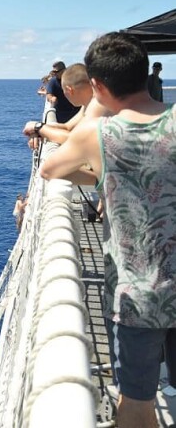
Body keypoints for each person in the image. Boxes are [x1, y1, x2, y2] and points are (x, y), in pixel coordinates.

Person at [41, 32, 175, 428]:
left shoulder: (97, 133)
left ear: (97, 86)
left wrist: (105, 173)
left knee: (135, 403)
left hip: (137, 297)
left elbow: (52, 170)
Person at [23, 63, 98, 150]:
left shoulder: (98, 106)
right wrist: (36, 128)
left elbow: (76, 140)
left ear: (69, 90)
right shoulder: (87, 106)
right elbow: (66, 127)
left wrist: (39, 128)